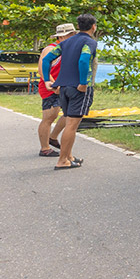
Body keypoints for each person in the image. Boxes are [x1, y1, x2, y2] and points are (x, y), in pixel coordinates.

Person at [45, 13, 98, 170]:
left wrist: (48, 80)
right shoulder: (90, 42)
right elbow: (83, 60)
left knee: (68, 121)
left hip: (63, 88)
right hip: (78, 88)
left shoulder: (66, 42)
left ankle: (68, 156)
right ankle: (62, 161)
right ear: (93, 27)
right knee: (72, 126)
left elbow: (48, 59)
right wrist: (83, 83)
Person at [36, 23, 75, 157]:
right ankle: (44, 148)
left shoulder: (68, 49)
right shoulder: (50, 49)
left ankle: (53, 137)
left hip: (64, 86)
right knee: (49, 116)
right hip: (50, 86)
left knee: (70, 113)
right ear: (63, 36)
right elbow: (42, 69)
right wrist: (53, 85)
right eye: (70, 35)